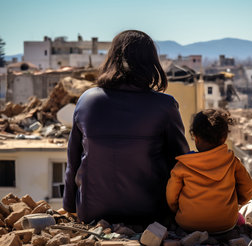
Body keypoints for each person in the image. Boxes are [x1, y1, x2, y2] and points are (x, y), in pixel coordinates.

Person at [63, 30, 189, 225]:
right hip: (151, 213)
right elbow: (181, 162)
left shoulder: (87, 100)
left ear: (112, 59)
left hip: (92, 212)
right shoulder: (165, 105)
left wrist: (70, 206)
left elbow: (73, 160)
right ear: (151, 62)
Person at [166, 109, 252, 233]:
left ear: (195, 138)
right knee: (240, 220)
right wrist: (239, 202)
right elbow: (247, 189)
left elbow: (171, 196)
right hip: (225, 224)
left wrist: (178, 210)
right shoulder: (233, 162)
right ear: (224, 138)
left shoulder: (183, 166)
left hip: (188, 223)